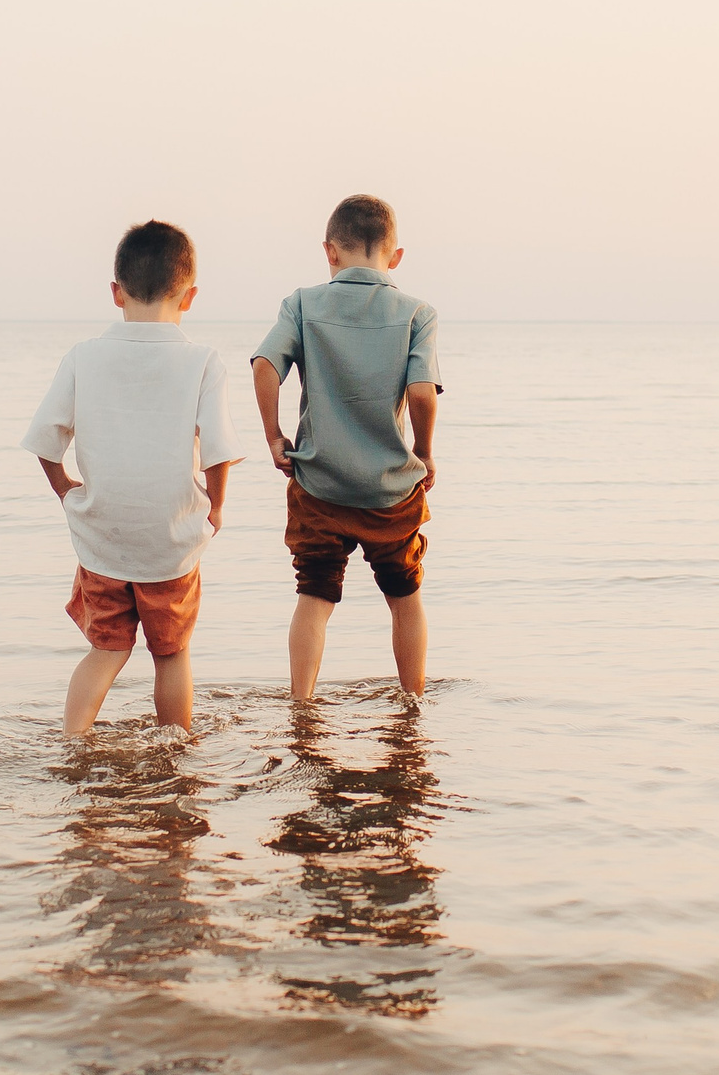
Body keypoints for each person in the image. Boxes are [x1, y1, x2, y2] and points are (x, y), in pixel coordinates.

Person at [22, 220, 247, 735]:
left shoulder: (83, 356)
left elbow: (44, 438)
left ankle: (74, 743)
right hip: (170, 537)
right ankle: (175, 749)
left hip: (102, 535)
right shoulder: (202, 361)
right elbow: (217, 449)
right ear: (189, 297)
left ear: (115, 292)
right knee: (171, 654)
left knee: (107, 649)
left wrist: (64, 490)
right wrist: (215, 507)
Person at [250, 194, 441, 698]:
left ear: (330, 252)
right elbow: (421, 391)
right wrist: (423, 452)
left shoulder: (302, 304)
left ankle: (302, 707)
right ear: (395, 257)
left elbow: (265, 364)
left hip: (320, 485)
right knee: (405, 597)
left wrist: (273, 435)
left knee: (313, 596)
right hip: (390, 492)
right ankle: (412, 704)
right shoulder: (417, 313)